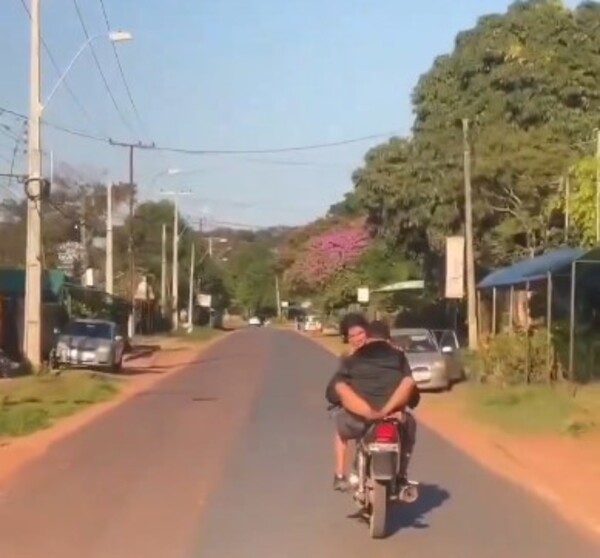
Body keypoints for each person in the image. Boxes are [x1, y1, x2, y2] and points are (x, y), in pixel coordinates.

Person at [326, 320, 419, 491]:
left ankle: (339, 475)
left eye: (360, 334)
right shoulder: (398, 356)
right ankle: (402, 475)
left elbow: (334, 390)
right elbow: (411, 389)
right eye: (353, 335)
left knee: (341, 431)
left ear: (367, 337)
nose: (357, 338)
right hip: (392, 416)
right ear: (388, 339)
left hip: (361, 418)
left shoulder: (351, 358)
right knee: (410, 427)